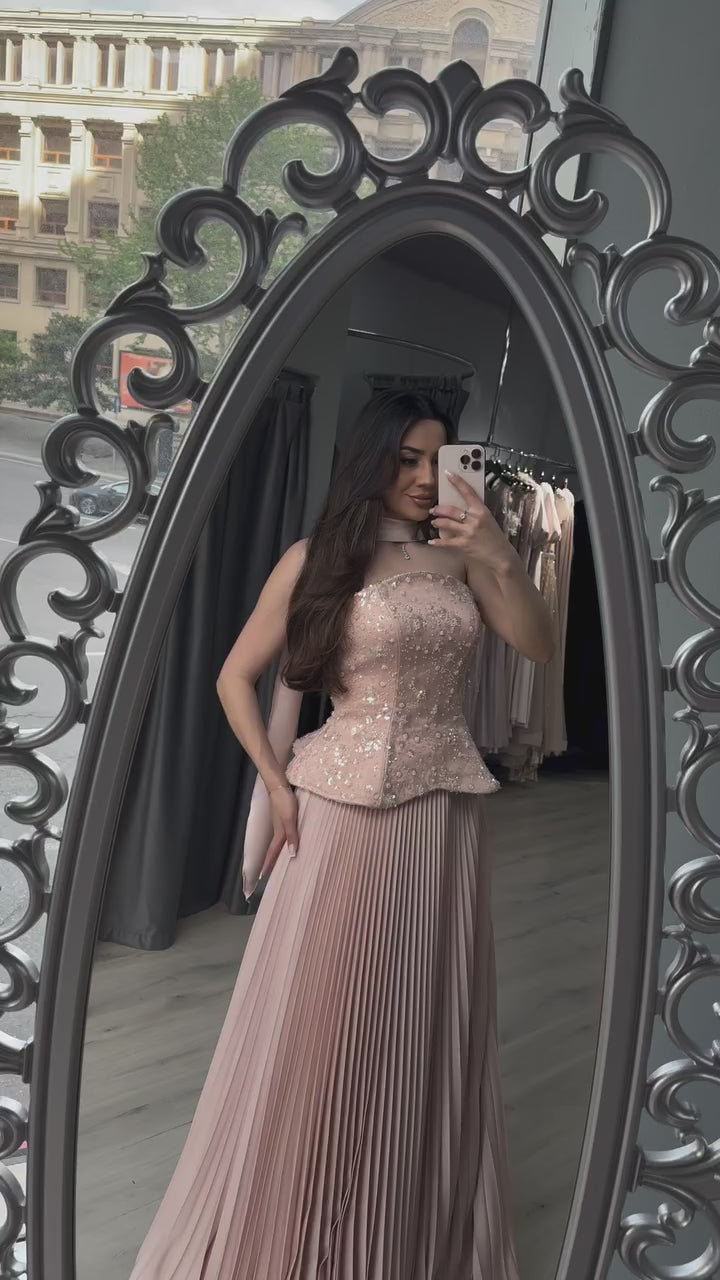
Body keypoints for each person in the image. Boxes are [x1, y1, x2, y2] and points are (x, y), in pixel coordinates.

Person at [129, 390, 554, 1279]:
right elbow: (234, 678)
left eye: (436, 460)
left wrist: (497, 551)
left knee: (424, 1018)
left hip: (446, 817)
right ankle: (305, 1220)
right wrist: (275, 785)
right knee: (328, 1016)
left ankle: (400, 1228)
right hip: (343, 811)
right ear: (370, 458)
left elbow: (536, 646)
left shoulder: (463, 555)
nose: (422, 478)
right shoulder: (318, 557)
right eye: (405, 458)